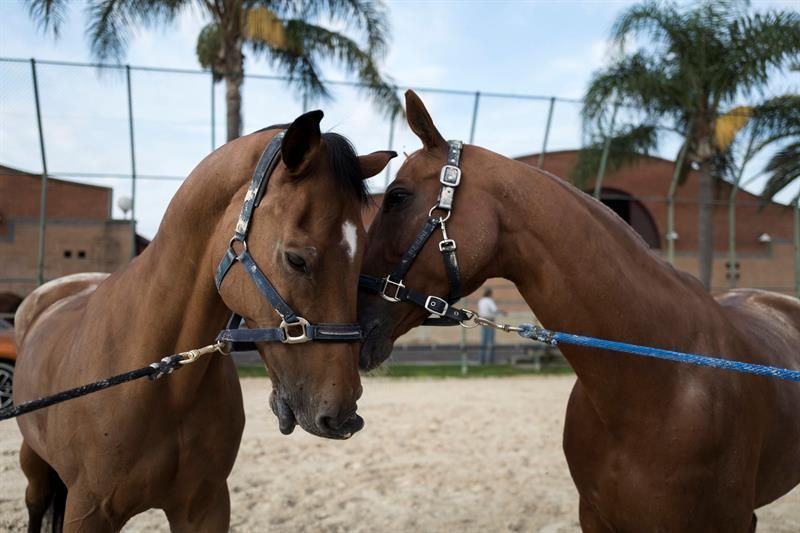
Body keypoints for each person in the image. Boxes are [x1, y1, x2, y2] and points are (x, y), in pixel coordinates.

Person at [477, 288, 501, 365]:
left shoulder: (481, 300)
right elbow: (494, 310)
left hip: (482, 320)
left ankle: (482, 359)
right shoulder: (489, 301)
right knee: (490, 341)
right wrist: (502, 312)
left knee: (483, 340)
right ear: (490, 294)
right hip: (490, 320)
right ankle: (490, 360)